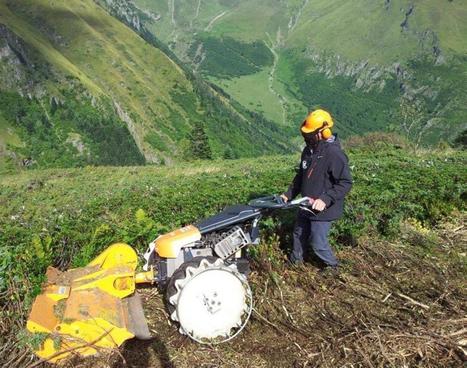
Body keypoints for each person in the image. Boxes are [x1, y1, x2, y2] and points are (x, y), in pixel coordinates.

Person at [281, 109, 352, 272]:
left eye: (310, 135)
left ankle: (332, 266)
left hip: (324, 209)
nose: (306, 138)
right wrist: (288, 194)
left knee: (317, 242)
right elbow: (301, 176)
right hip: (306, 204)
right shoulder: (307, 151)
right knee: (298, 234)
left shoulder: (334, 154)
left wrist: (325, 199)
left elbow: (345, 182)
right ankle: (296, 262)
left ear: (323, 132)